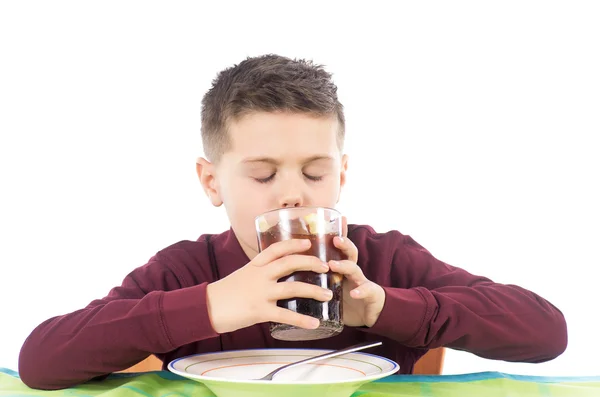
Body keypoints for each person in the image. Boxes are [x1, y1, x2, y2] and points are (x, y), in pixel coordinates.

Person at [18, 54, 568, 390]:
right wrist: (211, 305)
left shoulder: (383, 260)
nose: (292, 196)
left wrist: (384, 308)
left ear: (342, 175)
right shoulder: (185, 269)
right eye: (262, 175)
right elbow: (41, 360)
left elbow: (546, 331)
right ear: (212, 183)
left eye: (314, 172)